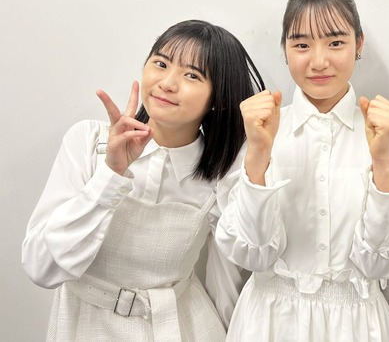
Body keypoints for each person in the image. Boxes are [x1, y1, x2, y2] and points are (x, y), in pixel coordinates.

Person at [22, 20, 265, 341]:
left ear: (218, 99)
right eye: (161, 64)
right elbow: (41, 268)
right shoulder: (88, 141)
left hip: (181, 328)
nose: (167, 83)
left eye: (192, 75)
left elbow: (225, 284)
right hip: (83, 326)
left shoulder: (220, 173)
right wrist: (110, 175)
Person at [215, 0, 389, 341]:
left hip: (358, 325)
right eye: (301, 44)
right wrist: (258, 156)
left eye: (336, 42)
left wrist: (384, 167)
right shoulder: (259, 127)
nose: (319, 61)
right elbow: (252, 254)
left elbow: (382, 261)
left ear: (359, 44)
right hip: (269, 322)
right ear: (284, 49)